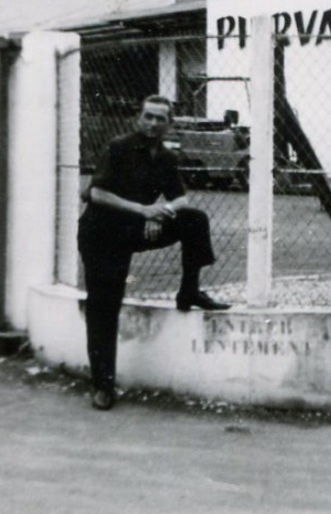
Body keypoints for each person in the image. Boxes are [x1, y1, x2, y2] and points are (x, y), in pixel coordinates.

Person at [77, 94, 229, 411]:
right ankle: (102, 385)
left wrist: (163, 212)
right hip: (101, 234)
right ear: (139, 117)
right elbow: (96, 192)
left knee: (194, 221)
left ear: (168, 124)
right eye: (148, 116)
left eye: (160, 118)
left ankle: (188, 292)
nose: (153, 123)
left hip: (137, 227)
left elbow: (181, 200)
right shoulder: (118, 147)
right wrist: (143, 212)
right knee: (104, 306)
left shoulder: (166, 158)